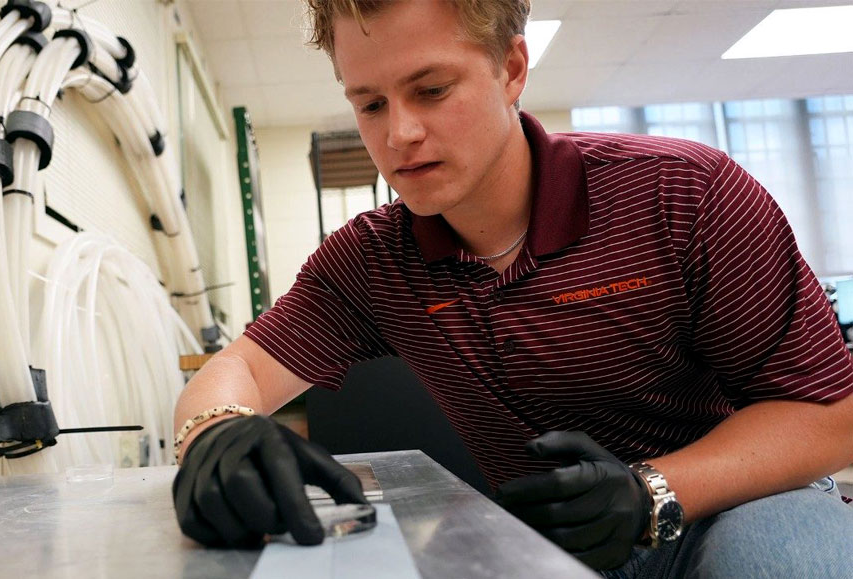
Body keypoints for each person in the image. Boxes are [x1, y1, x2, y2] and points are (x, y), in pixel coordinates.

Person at [171, 0, 853, 574]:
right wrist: (212, 433)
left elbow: (833, 415)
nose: (400, 133)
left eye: (432, 90)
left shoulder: (684, 193)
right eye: (370, 103)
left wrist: (650, 491)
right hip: (558, 540)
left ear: (512, 69)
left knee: (788, 554)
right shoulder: (373, 260)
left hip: (729, 507)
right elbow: (240, 368)